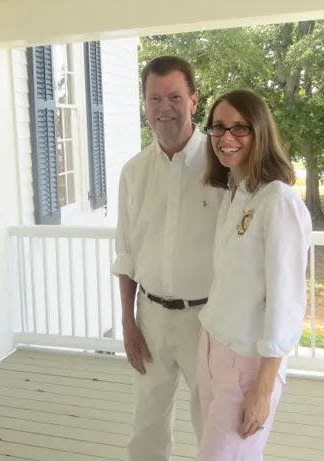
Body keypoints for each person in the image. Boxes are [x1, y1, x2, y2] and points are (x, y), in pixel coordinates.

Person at [112, 56, 223, 461]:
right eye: (154, 98)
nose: (164, 108)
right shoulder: (133, 172)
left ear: (194, 99)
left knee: (211, 421)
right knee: (147, 425)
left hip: (208, 320)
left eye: (174, 96)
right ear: (145, 104)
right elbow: (126, 253)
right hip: (151, 317)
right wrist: (128, 321)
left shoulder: (222, 166)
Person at [197, 89, 312, 460]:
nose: (226, 138)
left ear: (260, 131)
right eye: (218, 127)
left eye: (239, 128)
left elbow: (286, 301)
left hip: (248, 362)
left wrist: (262, 391)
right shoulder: (236, 192)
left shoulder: (278, 201)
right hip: (213, 347)